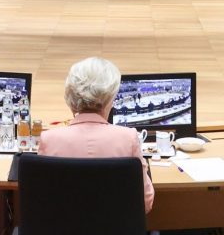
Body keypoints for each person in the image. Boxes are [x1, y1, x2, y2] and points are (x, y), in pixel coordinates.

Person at [39, 57, 154, 214]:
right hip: (116, 230)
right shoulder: (129, 138)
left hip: (61, 229)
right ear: (110, 99)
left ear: (70, 97)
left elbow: (42, 201)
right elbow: (145, 203)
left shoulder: (48, 140)